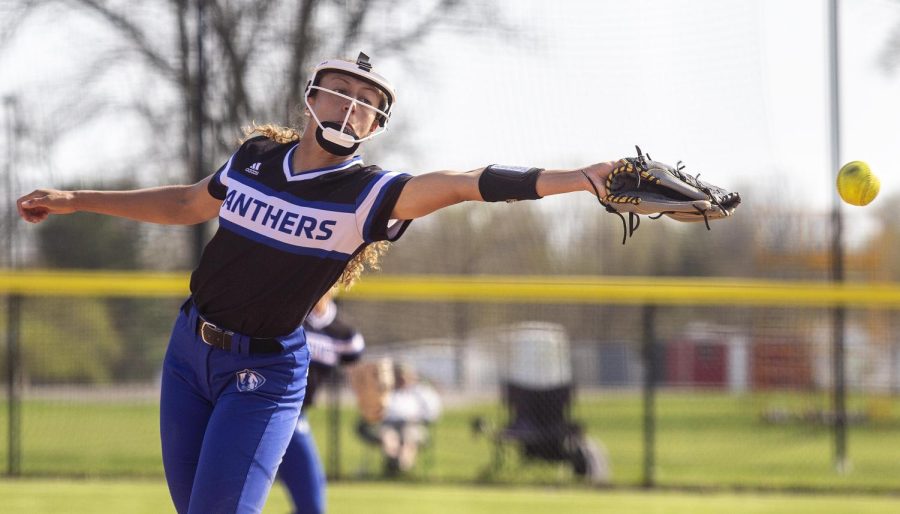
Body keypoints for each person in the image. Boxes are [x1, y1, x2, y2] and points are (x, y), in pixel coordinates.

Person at [16, 51, 621, 513]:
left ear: (377, 125)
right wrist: (75, 199)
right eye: (340, 91)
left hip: (264, 375)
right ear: (312, 97)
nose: (351, 106)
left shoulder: (372, 195)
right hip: (186, 355)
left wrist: (579, 178)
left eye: (368, 102)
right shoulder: (254, 157)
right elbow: (183, 205)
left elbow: (467, 181)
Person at [278, 290, 364, 514]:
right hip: (273, 409)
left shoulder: (343, 333)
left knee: (311, 506)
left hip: (297, 416)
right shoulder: (288, 316)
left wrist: (371, 398)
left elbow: (357, 376)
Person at [377, 362, 441, 474]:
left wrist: (421, 419)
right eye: (399, 376)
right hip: (390, 424)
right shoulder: (387, 392)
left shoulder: (420, 392)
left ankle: (403, 468)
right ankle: (393, 463)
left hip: (413, 424)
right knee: (389, 438)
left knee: (410, 440)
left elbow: (432, 411)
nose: (402, 379)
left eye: (405, 376)